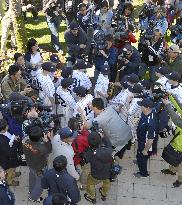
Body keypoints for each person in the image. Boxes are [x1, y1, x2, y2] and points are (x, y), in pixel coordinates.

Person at [23, 126, 52, 202]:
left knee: (32, 177)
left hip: (30, 164)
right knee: (40, 183)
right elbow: (49, 150)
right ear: (40, 138)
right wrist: (47, 141)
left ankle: (31, 190)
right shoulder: (41, 148)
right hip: (39, 167)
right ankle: (33, 197)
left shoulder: (25, 141)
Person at [84, 131, 113, 203]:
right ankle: (104, 194)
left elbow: (85, 160)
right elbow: (109, 145)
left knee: (90, 183)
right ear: (100, 141)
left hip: (95, 175)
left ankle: (92, 196)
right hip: (107, 173)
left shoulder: (89, 153)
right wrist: (103, 137)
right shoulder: (107, 151)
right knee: (106, 183)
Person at [161, 96, 182, 187]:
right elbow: (180, 107)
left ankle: (180, 180)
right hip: (177, 141)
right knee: (173, 159)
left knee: (180, 166)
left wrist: (168, 105)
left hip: (180, 147)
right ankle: (172, 170)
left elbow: (176, 120)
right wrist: (171, 96)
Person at [133, 98, 157, 178]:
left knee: (143, 156)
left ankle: (143, 173)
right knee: (140, 154)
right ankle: (139, 159)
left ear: (147, 108)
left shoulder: (150, 123)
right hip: (141, 139)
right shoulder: (146, 113)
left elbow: (150, 139)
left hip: (145, 143)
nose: (140, 107)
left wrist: (145, 150)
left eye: (141, 106)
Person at [0, 119, 21, 186]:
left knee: (12, 169)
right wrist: (16, 141)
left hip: (8, 157)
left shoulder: (4, 132)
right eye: (7, 125)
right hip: (7, 160)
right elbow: (10, 152)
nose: (8, 126)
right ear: (4, 128)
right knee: (9, 170)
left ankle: (13, 174)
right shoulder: (2, 141)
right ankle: (10, 181)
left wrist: (13, 138)